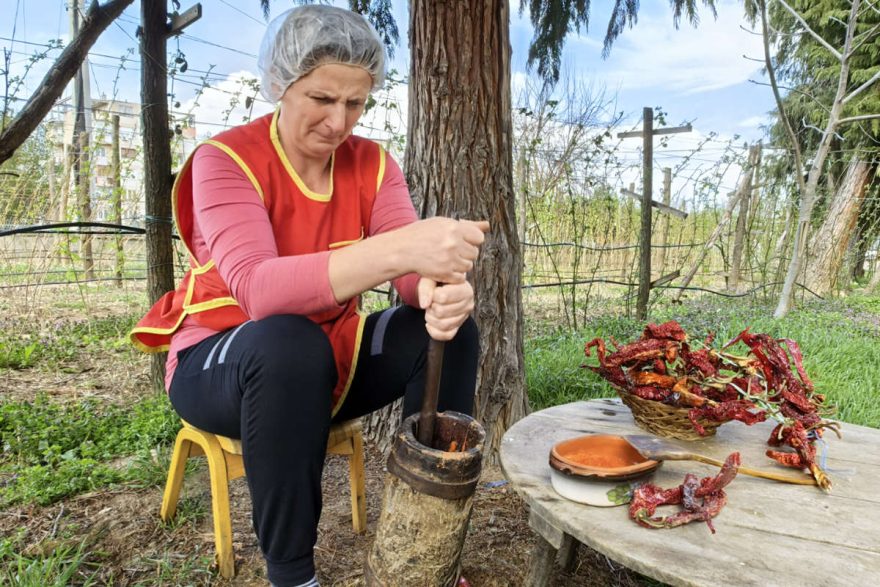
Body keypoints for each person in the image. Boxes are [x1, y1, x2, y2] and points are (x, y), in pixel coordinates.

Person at [130, 5, 488, 586]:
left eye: (356, 103)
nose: (339, 122)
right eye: (322, 99)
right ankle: (293, 575)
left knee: (444, 328)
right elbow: (259, 290)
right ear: (281, 84)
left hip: (327, 363)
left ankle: (425, 545)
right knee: (287, 340)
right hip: (222, 361)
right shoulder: (226, 161)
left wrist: (433, 290)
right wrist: (403, 250)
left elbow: (406, 278)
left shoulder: (372, 164)